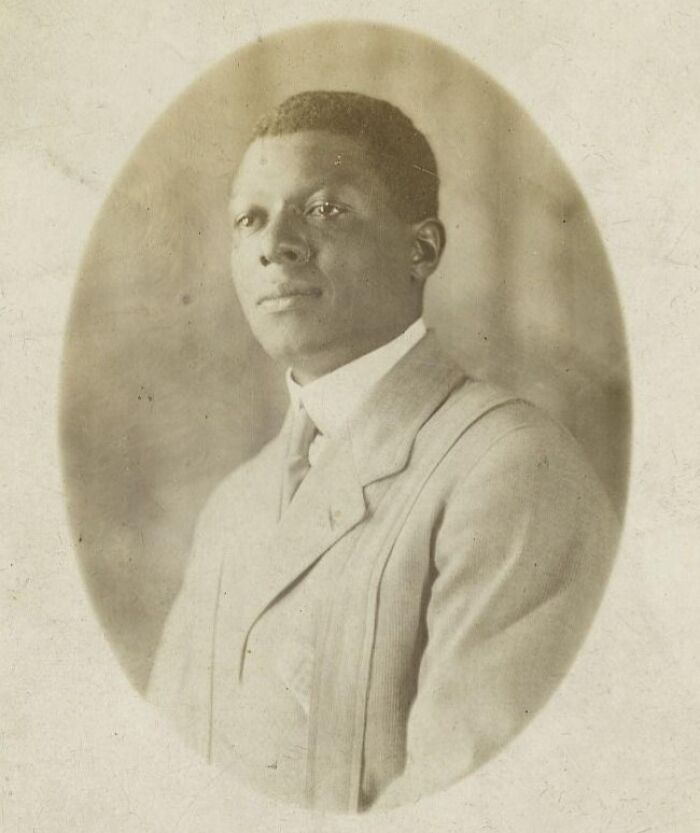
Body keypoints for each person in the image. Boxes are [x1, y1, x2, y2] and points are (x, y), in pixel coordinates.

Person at [147, 90, 620, 813]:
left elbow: (482, 799)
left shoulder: (509, 466)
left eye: (326, 208)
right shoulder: (233, 507)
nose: (277, 243)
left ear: (422, 249)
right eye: (250, 219)